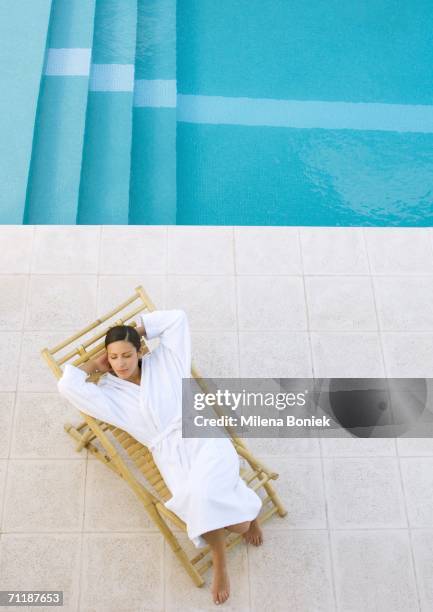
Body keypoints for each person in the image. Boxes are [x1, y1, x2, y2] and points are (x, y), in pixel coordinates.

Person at [57, 308, 263, 605]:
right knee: (198, 499)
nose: (120, 364)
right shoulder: (107, 394)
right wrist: (93, 364)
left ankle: (226, 551)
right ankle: (242, 519)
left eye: (126, 355)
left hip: (202, 438)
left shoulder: (167, 361)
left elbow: (178, 318)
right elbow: (67, 385)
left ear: (140, 351)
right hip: (169, 456)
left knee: (208, 499)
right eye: (113, 358)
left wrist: (135, 332)